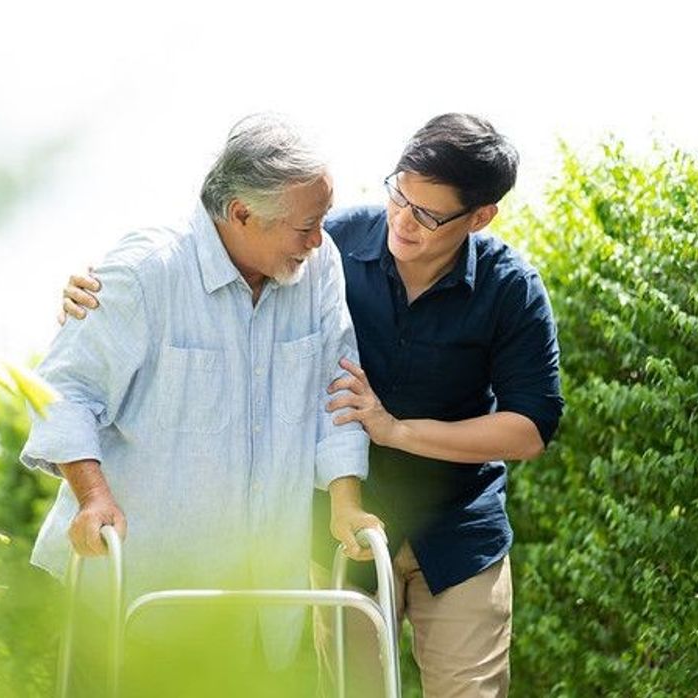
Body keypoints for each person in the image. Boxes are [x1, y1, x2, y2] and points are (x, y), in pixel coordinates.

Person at [61, 113, 564, 698]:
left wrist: (396, 431)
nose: (403, 219)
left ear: (479, 217)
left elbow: (530, 428)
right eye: (398, 194)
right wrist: (99, 298)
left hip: (456, 529)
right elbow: (220, 260)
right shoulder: (329, 246)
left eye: (427, 214)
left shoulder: (510, 288)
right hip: (343, 536)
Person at [22, 113, 383, 696]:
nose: (319, 240)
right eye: (305, 227)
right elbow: (63, 392)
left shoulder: (319, 268)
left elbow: (335, 391)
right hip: (141, 595)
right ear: (241, 213)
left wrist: (345, 503)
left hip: (266, 603)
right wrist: (93, 499)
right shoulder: (143, 272)